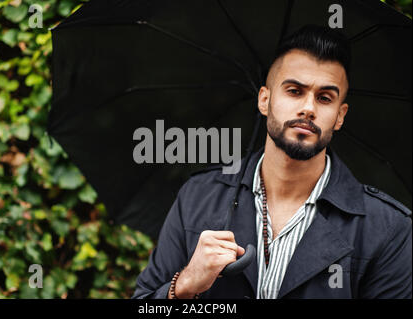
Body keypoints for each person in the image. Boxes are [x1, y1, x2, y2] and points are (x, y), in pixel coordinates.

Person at [132, 25, 412, 299]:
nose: (308, 108)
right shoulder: (199, 195)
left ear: (340, 115)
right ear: (265, 100)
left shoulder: (388, 228)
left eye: (324, 98)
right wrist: (183, 286)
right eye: (294, 91)